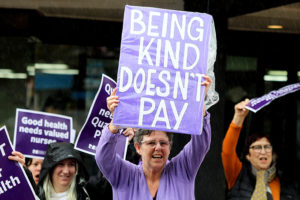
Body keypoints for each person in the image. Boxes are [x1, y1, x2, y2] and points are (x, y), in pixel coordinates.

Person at [95, 76, 212, 200]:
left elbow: (200, 145)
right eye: (151, 143)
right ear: (138, 147)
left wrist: (199, 105)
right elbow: (103, 157)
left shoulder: (182, 170)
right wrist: (115, 124)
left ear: (170, 146)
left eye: (163, 143)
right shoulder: (124, 175)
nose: (158, 147)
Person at [222, 99, 300, 200]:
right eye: (257, 148)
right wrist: (238, 117)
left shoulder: (286, 183)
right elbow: (227, 152)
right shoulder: (237, 175)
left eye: (267, 147)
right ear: (248, 156)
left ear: (273, 154)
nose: (263, 152)